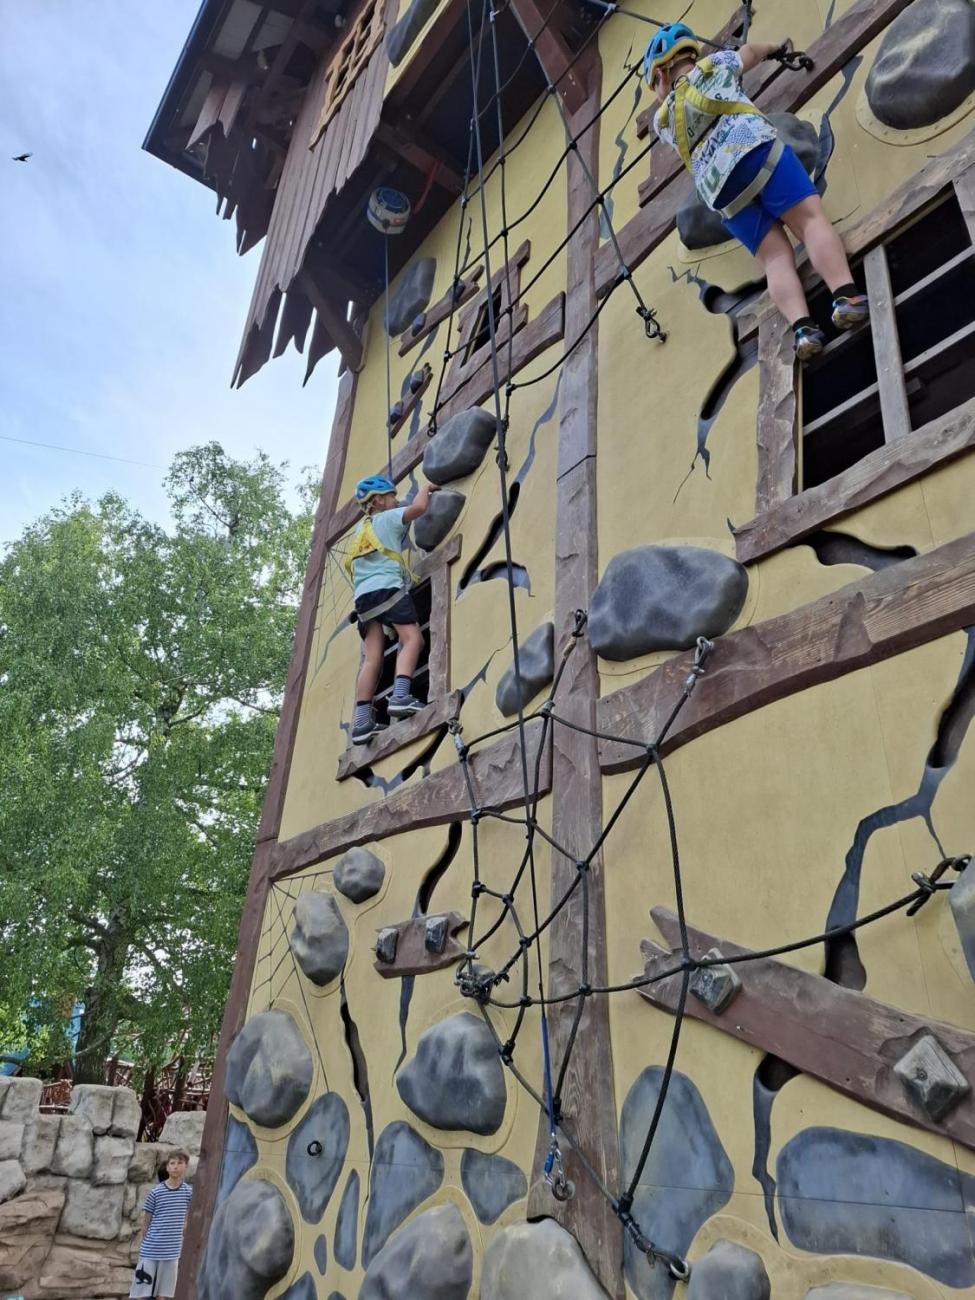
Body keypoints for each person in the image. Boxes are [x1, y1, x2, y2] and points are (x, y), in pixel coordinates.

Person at [646, 23, 869, 361]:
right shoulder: (717, 65)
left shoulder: (662, 122)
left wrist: (665, 95)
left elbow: (672, 104)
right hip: (754, 152)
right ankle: (845, 296)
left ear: (660, 75)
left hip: (722, 193)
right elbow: (750, 53)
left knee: (775, 257)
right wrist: (776, 48)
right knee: (809, 221)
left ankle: (803, 329)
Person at [344, 474, 440, 743]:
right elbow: (418, 509)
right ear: (378, 501)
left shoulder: (359, 532)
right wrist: (426, 488)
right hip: (387, 588)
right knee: (413, 639)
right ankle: (400, 696)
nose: (396, 501)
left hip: (363, 600)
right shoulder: (387, 517)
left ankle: (362, 723)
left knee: (373, 658)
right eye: (392, 497)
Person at [129, 1151, 193, 1300]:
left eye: (180, 1163)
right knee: (141, 1293)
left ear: (186, 1166)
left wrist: (185, 1224)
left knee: (163, 1296)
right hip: (151, 1250)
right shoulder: (156, 1193)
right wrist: (145, 1244)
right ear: (168, 1168)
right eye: (172, 1163)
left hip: (172, 1253)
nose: (176, 1166)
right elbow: (146, 1222)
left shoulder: (189, 1192)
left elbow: (189, 1215)